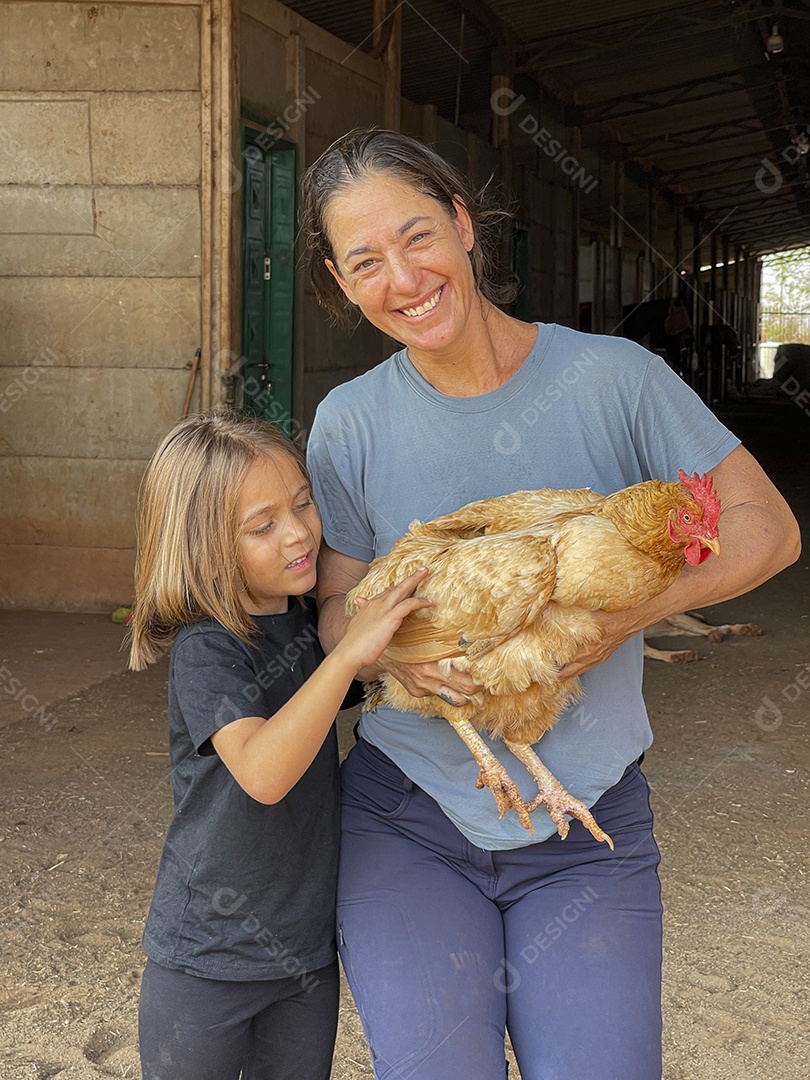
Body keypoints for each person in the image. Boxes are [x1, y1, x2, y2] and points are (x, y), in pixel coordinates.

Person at [301, 128, 801, 1080]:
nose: (403, 278)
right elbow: (334, 611)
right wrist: (385, 652)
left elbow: (768, 528)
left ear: (462, 222)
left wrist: (624, 617)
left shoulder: (613, 378)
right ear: (337, 276)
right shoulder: (349, 422)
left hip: (587, 825)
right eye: (366, 261)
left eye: (418, 237)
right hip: (410, 818)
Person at [127, 409, 430, 1080]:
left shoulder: (300, 627)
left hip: (304, 958)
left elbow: (350, 688)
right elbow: (263, 771)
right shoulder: (208, 649)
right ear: (204, 545)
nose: (298, 532)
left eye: (302, 502)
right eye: (263, 526)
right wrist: (349, 653)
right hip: (206, 959)